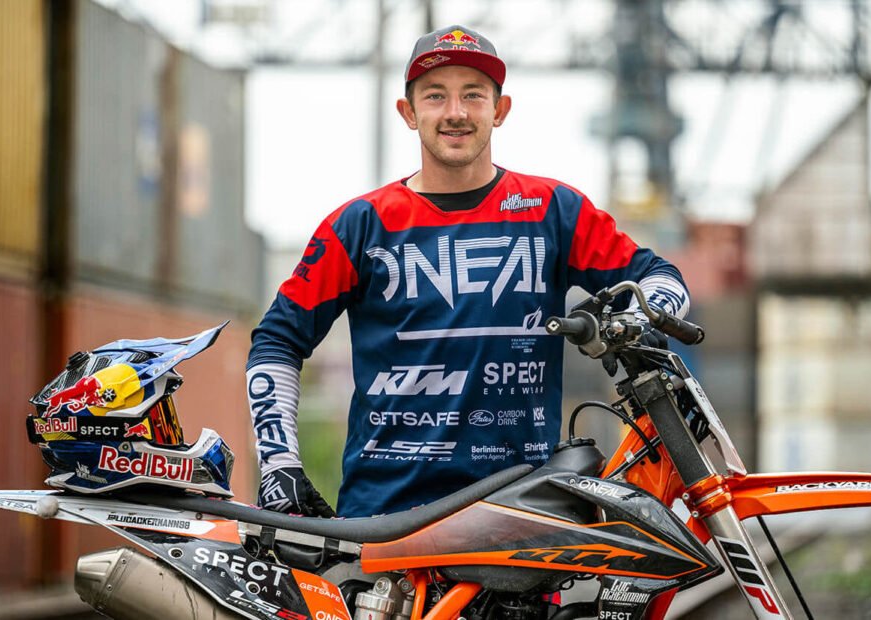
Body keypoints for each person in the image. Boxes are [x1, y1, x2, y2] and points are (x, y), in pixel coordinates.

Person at [246, 25, 690, 519]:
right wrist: (278, 464)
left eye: (473, 95)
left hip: (525, 510)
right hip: (385, 517)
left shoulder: (552, 210)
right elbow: (276, 341)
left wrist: (640, 319)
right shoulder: (361, 224)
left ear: (500, 110)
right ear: (408, 113)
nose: (455, 112)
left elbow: (660, 277)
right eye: (435, 95)